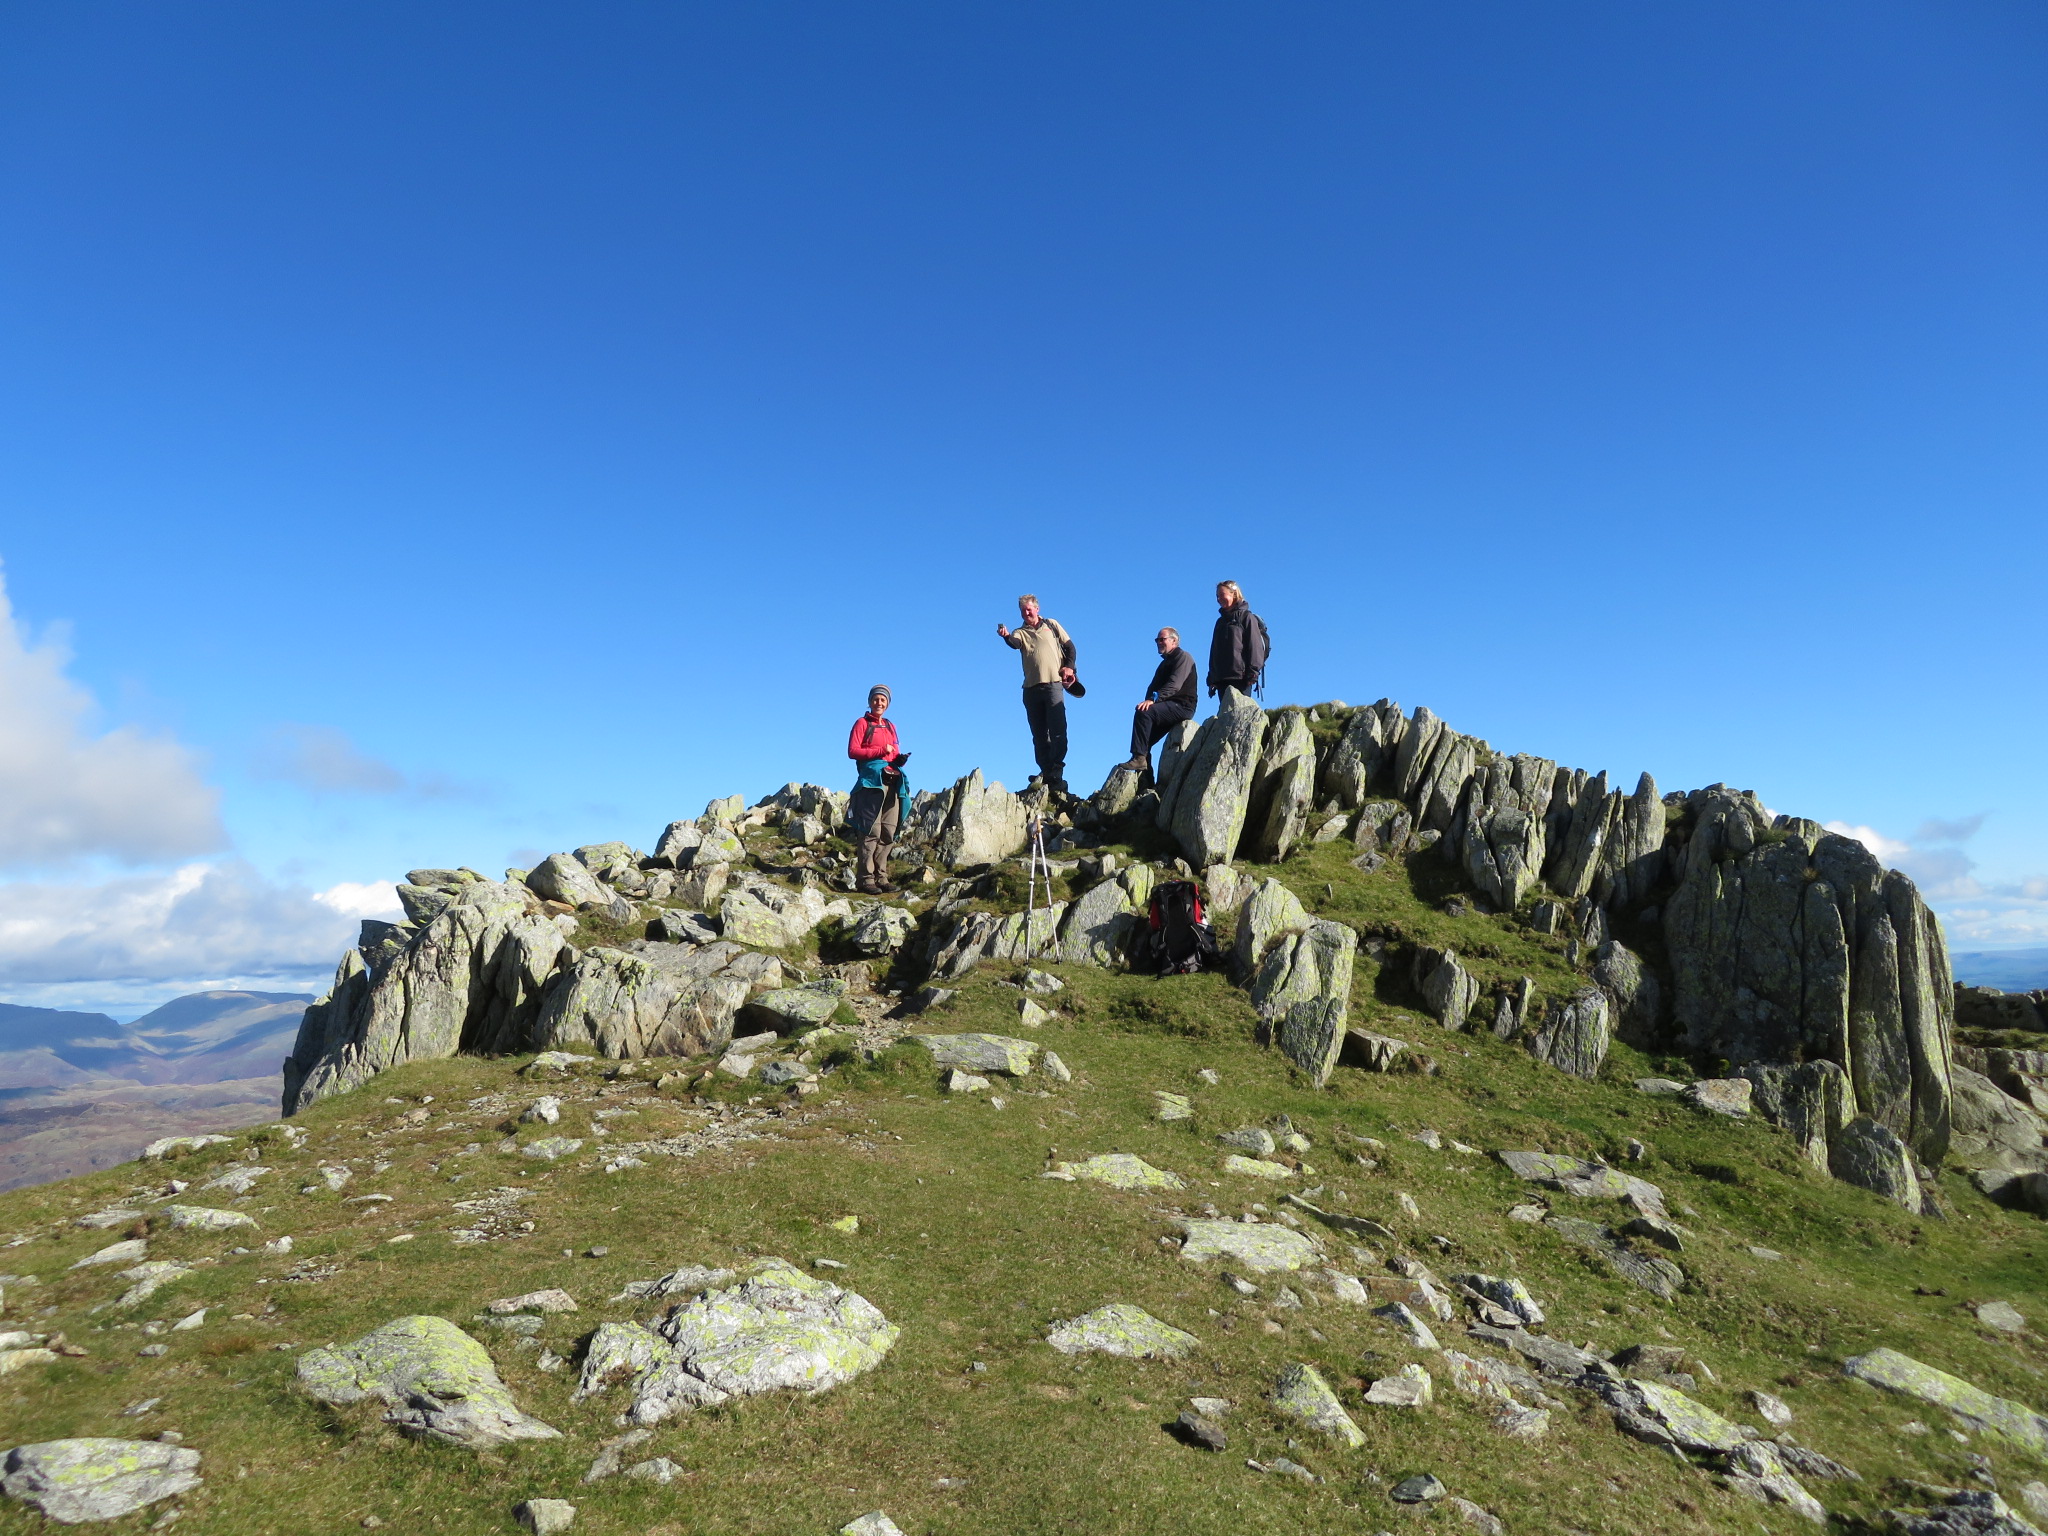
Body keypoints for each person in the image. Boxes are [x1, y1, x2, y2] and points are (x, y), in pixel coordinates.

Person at [995, 594, 1077, 793]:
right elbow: (1014, 643)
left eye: (1029, 609)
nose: (1027, 612)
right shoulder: (1020, 632)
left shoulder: (1052, 625)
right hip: (1031, 689)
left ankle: (1056, 769)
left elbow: (1070, 647)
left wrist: (1070, 668)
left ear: (1037, 609)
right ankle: (1045, 770)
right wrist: (1006, 636)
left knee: (1058, 730)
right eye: (1023, 610)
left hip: (1053, 685)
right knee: (1039, 735)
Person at [846, 684, 910, 894]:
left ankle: (881, 878)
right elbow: (853, 751)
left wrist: (899, 759)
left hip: (892, 780)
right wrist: (882, 750)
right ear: (870, 701)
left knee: (888, 830)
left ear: (888, 704)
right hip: (870, 782)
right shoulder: (862, 723)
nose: (879, 703)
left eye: (883, 700)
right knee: (870, 830)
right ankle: (865, 880)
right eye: (876, 699)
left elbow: (894, 752)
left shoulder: (891, 726)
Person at [1119, 625, 1196, 771]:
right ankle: (1145, 779)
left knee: (1144, 712)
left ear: (1174, 641)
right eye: (1157, 640)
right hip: (1167, 706)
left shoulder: (1183, 657)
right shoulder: (1164, 663)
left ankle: (1138, 758)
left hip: (1182, 705)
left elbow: (1175, 685)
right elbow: (1152, 688)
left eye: (1162, 639)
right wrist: (1148, 700)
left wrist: (1153, 700)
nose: (1159, 642)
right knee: (1144, 739)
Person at [1206, 579, 1269, 701]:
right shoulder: (1220, 622)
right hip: (1221, 678)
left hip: (1242, 678)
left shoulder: (1247, 618)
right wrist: (1212, 678)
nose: (1219, 599)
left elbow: (1254, 646)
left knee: (1240, 715)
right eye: (1217, 596)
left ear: (1234, 594)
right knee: (1225, 716)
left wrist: (1253, 673)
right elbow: (1214, 652)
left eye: (1222, 595)